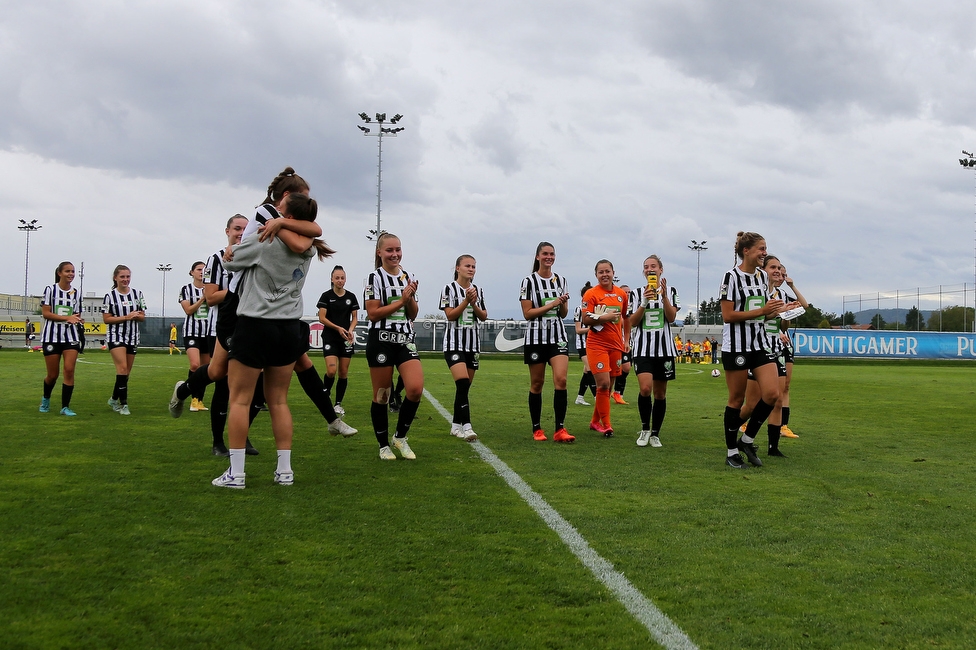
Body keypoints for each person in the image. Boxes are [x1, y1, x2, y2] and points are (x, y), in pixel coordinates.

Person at [171, 170, 355, 446]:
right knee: (220, 372)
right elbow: (301, 241)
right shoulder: (264, 213)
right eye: (302, 199)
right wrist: (283, 226)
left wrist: (283, 225)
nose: (307, 209)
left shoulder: (282, 219)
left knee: (300, 361)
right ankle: (189, 396)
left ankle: (331, 418)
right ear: (285, 198)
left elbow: (314, 232)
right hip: (239, 304)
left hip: (268, 310)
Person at [212, 193, 333, 488]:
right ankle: (284, 471)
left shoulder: (264, 239)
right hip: (288, 328)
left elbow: (229, 264)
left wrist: (231, 246)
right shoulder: (308, 248)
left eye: (280, 209)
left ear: (288, 217)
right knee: (278, 401)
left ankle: (236, 473)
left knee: (239, 400)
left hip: (254, 325)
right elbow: (309, 236)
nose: (273, 212)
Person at [719, 232, 784, 468]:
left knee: (772, 394)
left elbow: (765, 312)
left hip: (759, 344)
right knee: (736, 399)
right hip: (736, 347)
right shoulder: (731, 277)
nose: (764, 253)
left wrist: (783, 310)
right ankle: (731, 452)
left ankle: (747, 441)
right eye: (761, 249)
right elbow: (728, 316)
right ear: (746, 251)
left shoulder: (761, 278)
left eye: (765, 249)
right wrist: (762, 311)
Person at [364, 232, 424, 460]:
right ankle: (382, 445)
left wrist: (409, 298)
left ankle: (400, 437)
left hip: (405, 340)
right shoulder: (374, 278)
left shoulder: (408, 276)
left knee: (415, 389)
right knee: (382, 395)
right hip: (381, 340)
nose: (395, 254)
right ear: (379, 253)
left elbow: (413, 313)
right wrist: (400, 300)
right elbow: (372, 314)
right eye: (389, 250)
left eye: (397, 250)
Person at [737, 255, 802, 457]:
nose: (778, 272)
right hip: (757, 349)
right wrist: (774, 314)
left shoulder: (781, 295)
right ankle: (732, 430)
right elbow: (753, 318)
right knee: (752, 404)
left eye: (780, 269)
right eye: (773, 267)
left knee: (777, 398)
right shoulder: (757, 292)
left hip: (777, 350)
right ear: (763, 270)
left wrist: (785, 320)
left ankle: (772, 447)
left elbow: (798, 311)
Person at [520, 242, 574, 443]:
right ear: (537, 257)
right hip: (535, 337)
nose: (548, 257)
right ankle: (537, 428)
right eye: (545, 254)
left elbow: (563, 313)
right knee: (537, 383)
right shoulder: (528, 282)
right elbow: (527, 313)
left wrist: (563, 303)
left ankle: (560, 429)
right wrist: (552, 303)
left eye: (552, 254)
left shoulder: (561, 280)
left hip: (557, 336)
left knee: (561, 380)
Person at [627, 255, 678, 448]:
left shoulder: (671, 291)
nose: (650, 269)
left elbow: (671, 317)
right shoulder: (635, 293)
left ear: (661, 270)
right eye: (646, 267)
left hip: (664, 349)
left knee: (660, 393)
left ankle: (655, 433)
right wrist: (643, 303)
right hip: (643, 349)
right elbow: (632, 322)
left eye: (653, 266)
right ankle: (645, 428)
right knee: (645, 388)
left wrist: (664, 297)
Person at [440, 254, 488, 442]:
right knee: (461, 382)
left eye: (474, 266)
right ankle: (467, 426)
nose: (471, 269)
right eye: (467, 265)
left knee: (464, 388)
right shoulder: (448, 288)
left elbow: (483, 316)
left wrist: (474, 302)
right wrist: (466, 301)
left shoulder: (478, 290)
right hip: (454, 344)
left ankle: (455, 425)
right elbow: (450, 315)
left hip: (472, 345)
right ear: (457, 268)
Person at [581, 260, 629, 437]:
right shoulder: (591, 294)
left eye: (607, 271)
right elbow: (585, 319)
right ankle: (607, 425)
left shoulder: (621, 294)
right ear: (596, 275)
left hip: (615, 345)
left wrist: (626, 340)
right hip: (597, 344)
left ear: (613, 272)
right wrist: (605, 317)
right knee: (603, 384)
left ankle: (595, 422)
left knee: (607, 388)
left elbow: (627, 318)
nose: (604, 275)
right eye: (600, 272)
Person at [39, 261, 84, 416]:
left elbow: (76, 314)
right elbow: (46, 313)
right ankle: (46, 398)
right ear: (59, 273)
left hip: (70, 337)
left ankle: (65, 407)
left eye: (73, 271)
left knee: (69, 370)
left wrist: (77, 320)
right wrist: (66, 318)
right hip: (52, 336)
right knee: (52, 375)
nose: (71, 274)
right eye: (67, 271)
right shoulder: (50, 290)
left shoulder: (76, 293)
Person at [317, 265, 359, 418]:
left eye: (342, 278)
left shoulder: (351, 297)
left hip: (346, 339)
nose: (340, 280)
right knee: (331, 370)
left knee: (343, 372)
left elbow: (355, 318)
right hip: (330, 337)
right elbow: (322, 318)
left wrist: (350, 330)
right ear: (332, 279)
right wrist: (338, 328)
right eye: (337, 278)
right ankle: (325, 394)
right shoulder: (326, 296)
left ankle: (338, 404)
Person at [103, 265, 146, 415]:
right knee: (121, 369)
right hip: (116, 336)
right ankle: (124, 405)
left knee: (125, 373)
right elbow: (106, 319)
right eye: (122, 277)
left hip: (132, 337)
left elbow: (142, 316)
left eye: (128, 276)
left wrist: (136, 316)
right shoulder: (110, 296)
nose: (125, 280)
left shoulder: (137, 294)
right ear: (115, 278)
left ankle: (114, 399)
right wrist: (126, 317)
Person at [778, 263, 808, 439]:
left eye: (784, 275)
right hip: (766, 341)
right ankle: (745, 420)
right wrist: (777, 332)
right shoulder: (763, 293)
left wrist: (792, 285)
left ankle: (783, 425)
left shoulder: (784, 294)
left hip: (785, 343)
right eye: (779, 273)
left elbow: (804, 305)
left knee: (786, 386)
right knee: (761, 387)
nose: (781, 277)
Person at [179, 262, 211, 412]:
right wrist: (202, 299)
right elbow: (188, 310)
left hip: (208, 332)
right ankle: (189, 394)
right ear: (191, 272)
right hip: (192, 332)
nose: (201, 272)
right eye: (198, 270)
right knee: (194, 365)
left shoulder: (211, 288)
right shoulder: (186, 289)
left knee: (205, 369)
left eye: (204, 270)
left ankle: (198, 401)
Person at [573, 282, 595, 406]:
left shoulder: (594, 309)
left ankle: (580, 397)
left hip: (592, 344)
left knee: (587, 371)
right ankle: (597, 396)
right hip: (583, 345)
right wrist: (592, 328)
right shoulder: (579, 309)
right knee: (591, 369)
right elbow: (578, 330)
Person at [612, 284, 632, 405]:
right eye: (625, 292)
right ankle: (616, 392)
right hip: (618, 342)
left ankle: (619, 393)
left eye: (629, 292)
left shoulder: (633, 306)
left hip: (629, 342)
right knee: (625, 367)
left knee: (626, 368)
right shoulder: (619, 306)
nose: (628, 294)